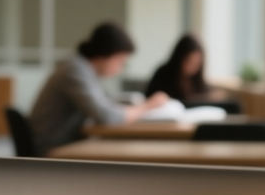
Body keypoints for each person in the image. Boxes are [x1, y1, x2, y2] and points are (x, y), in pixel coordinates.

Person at [29, 22, 170, 152]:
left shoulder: (84, 70)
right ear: (106, 54)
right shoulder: (75, 70)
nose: (120, 68)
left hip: (64, 142)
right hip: (52, 147)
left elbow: (105, 105)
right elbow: (106, 116)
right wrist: (147, 106)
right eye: (121, 61)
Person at [144, 34, 231, 105]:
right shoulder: (163, 74)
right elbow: (155, 100)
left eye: (197, 64)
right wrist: (206, 97)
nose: (193, 67)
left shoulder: (196, 79)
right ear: (179, 58)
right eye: (189, 62)